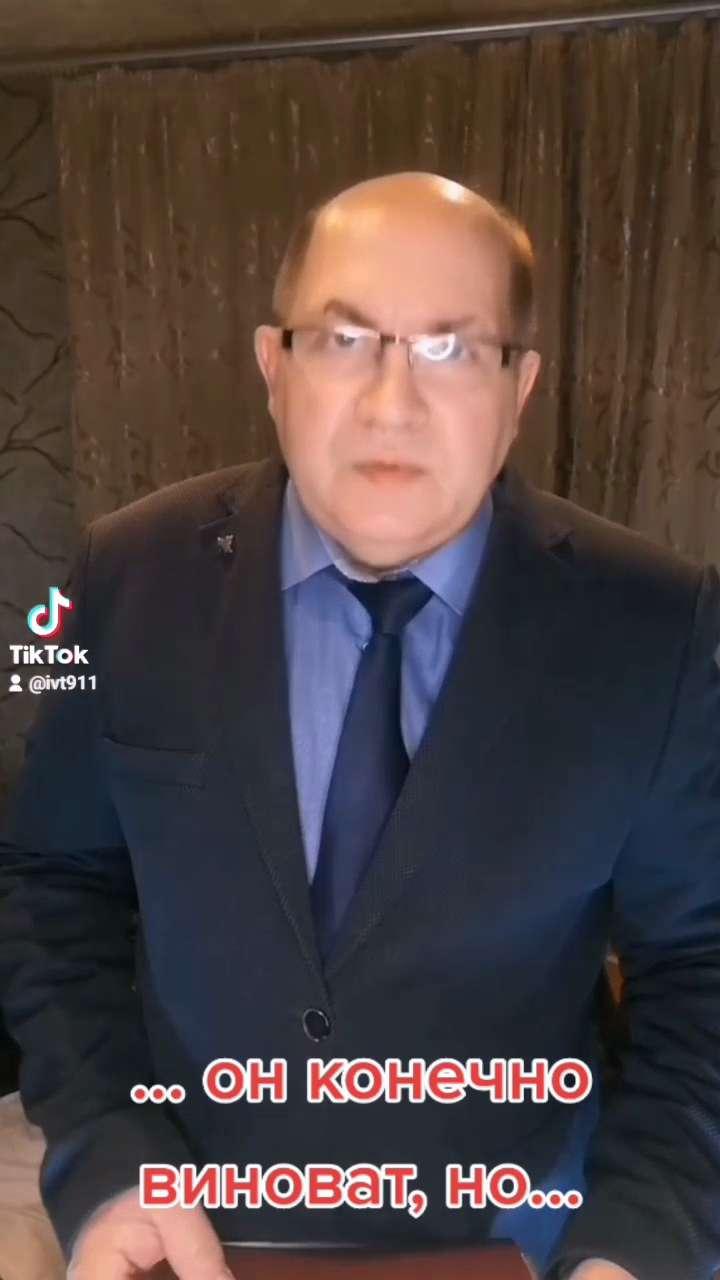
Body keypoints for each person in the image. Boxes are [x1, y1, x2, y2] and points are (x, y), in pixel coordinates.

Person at [1, 171, 719, 1280]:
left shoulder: (656, 623)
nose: (392, 403)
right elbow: (54, 883)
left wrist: (639, 1243)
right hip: (187, 1227)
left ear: (520, 387)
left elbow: (700, 961)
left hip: (526, 1238)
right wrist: (106, 1160)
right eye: (343, 341)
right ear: (273, 367)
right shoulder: (127, 574)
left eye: (451, 348)